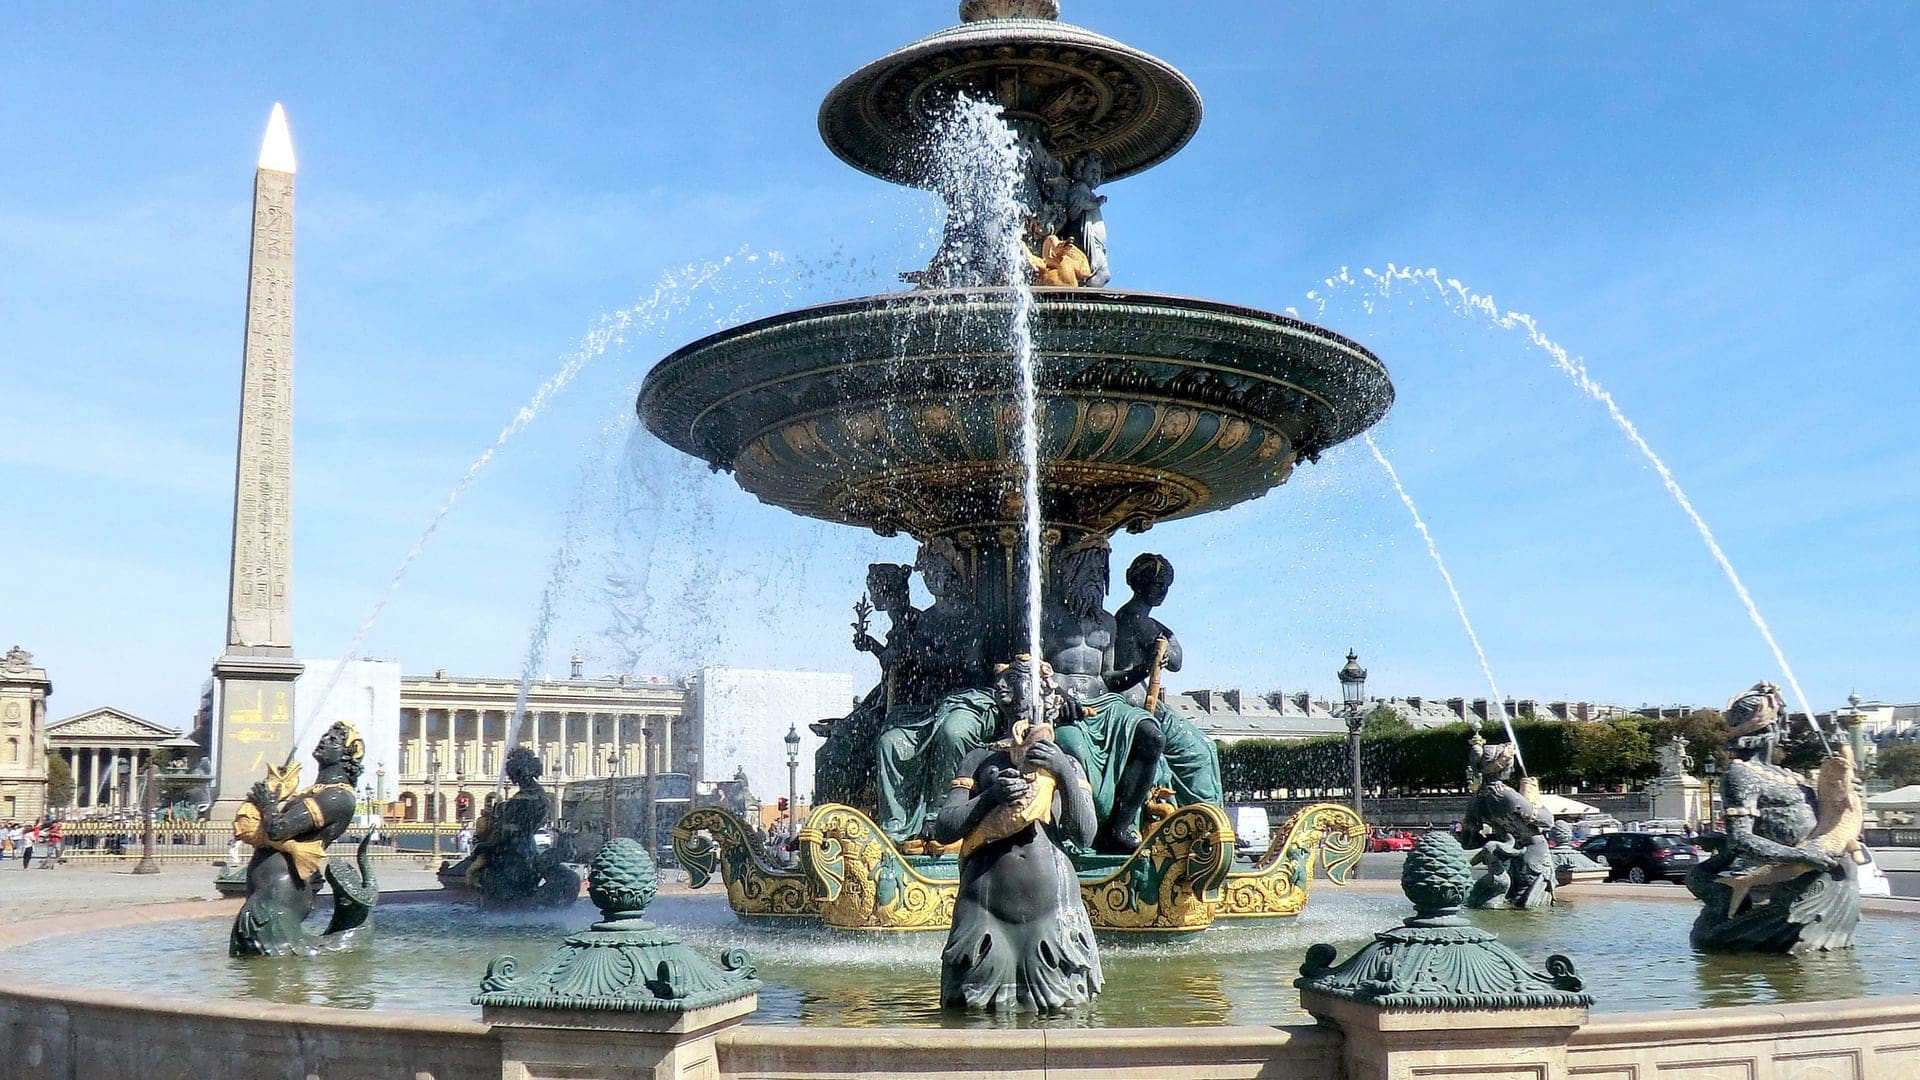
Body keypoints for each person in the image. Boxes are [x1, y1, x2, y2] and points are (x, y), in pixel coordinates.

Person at [931, 657, 1102, 1012]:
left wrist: (1063, 774)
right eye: (1002, 681)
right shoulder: (978, 759)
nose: (1002, 687)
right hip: (984, 912)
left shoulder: (1066, 761)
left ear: (1044, 693)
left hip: (1054, 913)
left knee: (1064, 1016)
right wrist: (990, 798)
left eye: (1016, 680)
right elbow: (945, 827)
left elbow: (1084, 834)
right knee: (973, 1016)